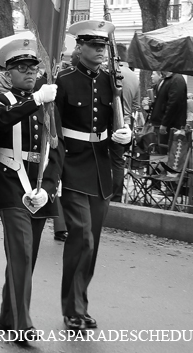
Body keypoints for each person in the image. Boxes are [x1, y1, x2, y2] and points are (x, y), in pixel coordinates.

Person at [54, 20, 132, 330]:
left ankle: (80, 304)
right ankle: (71, 307)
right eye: (94, 46)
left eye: (103, 46)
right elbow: (53, 132)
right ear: (80, 47)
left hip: (100, 168)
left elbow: (117, 124)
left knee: (93, 243)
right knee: (82, 238)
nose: (100, 51)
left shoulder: (110, 82)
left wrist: (125, 136)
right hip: (73, 166)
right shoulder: (63, 81)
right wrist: (54, 173)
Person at [0, 38, 61, 340]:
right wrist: (37, 101)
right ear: (7, 73)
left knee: (27, 258)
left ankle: (8, 316)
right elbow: (1, 122)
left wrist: (51, 186)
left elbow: (56, 149)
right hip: (10, 183)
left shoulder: (48, 101)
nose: (29, 72)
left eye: (33, 67)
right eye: (21, 67)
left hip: (39, 187)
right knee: (21, 254)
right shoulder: (0, 100)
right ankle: (21, 323)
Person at [111, 45, 140, 203]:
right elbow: (136, 106)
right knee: (118, 162)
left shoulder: (112, 72)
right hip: (126, 125)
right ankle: (116, 196)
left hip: (111, 122)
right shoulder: (135, 77)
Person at [147, 70, 187, 134]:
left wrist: (164, 123)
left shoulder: (177, 79)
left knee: (165, 143)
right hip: (159, 124)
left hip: (170, 127)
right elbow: (162, 102)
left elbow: (173, 103)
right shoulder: (166, 80)